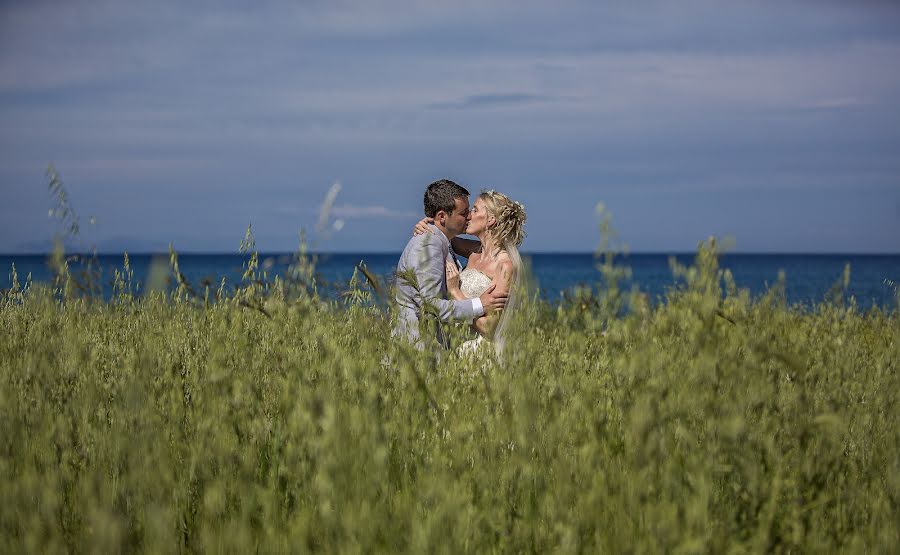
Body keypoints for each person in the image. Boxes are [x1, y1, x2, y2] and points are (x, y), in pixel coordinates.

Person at [394, 179, 508, 351]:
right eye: (464, 213)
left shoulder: (445, 242)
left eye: (472, 210)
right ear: (442, 216)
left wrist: (431, 224)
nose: (469, 216)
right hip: (419, 350)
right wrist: (480, 304)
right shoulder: (429, 245)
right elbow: (430, 306)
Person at [412, 189, 526, 356]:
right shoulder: (473, 251)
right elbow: (443, 235)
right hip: (456, 345)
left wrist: (455, 292)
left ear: (491, 220)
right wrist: (426, 225)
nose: (468, 216)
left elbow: (489, 327)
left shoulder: (505, 266)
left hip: (479, 353)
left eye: (475, 210)